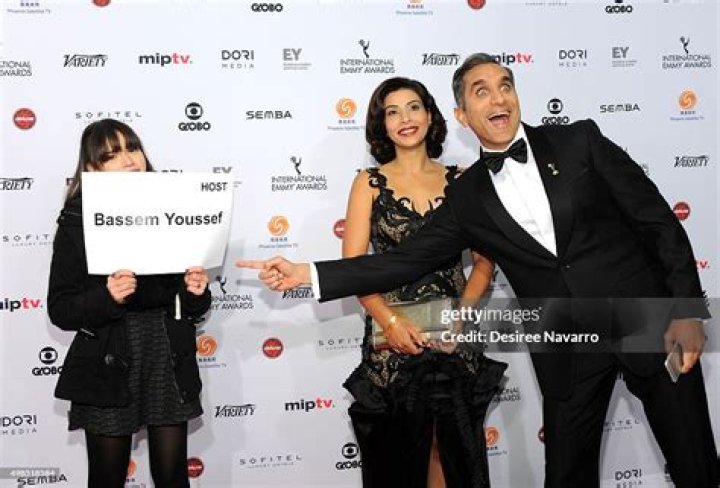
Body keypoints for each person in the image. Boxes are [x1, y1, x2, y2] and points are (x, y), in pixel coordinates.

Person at [239, 54, 717, 488]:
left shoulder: (579, 141)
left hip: (649, 325)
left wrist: (687, 310)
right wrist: (308, 273)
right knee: (567, 478)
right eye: (481, 91)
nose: (498, 97)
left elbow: (658, 222)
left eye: (505, 85)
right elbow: (403, 259)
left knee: (695, 466)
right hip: (566, 349)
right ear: (463, 116)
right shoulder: (468, 197)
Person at [339, 77, 506, 488]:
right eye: (392, 112)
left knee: (453, 456)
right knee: (397, 461)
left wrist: (462, 315)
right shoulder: (368, 183)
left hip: (454, 339)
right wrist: (392, 323)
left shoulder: (463, 181)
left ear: (430, 115)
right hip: (394, 343)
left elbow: (484, 263)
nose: (405, 119)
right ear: (382, 125)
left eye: (413, 107)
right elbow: (354, 270)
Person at [48, 119, 211, 488]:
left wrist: (195, 292)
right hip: (108, 359)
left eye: (132, 148)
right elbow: (60, 308)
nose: (128, 159)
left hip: (167, 353)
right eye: (111, 155)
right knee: (107, 479)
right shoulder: (76, 220)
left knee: (173, 478)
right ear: (92, 169)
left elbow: (192, 306)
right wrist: (106, 297)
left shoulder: (175, 211)